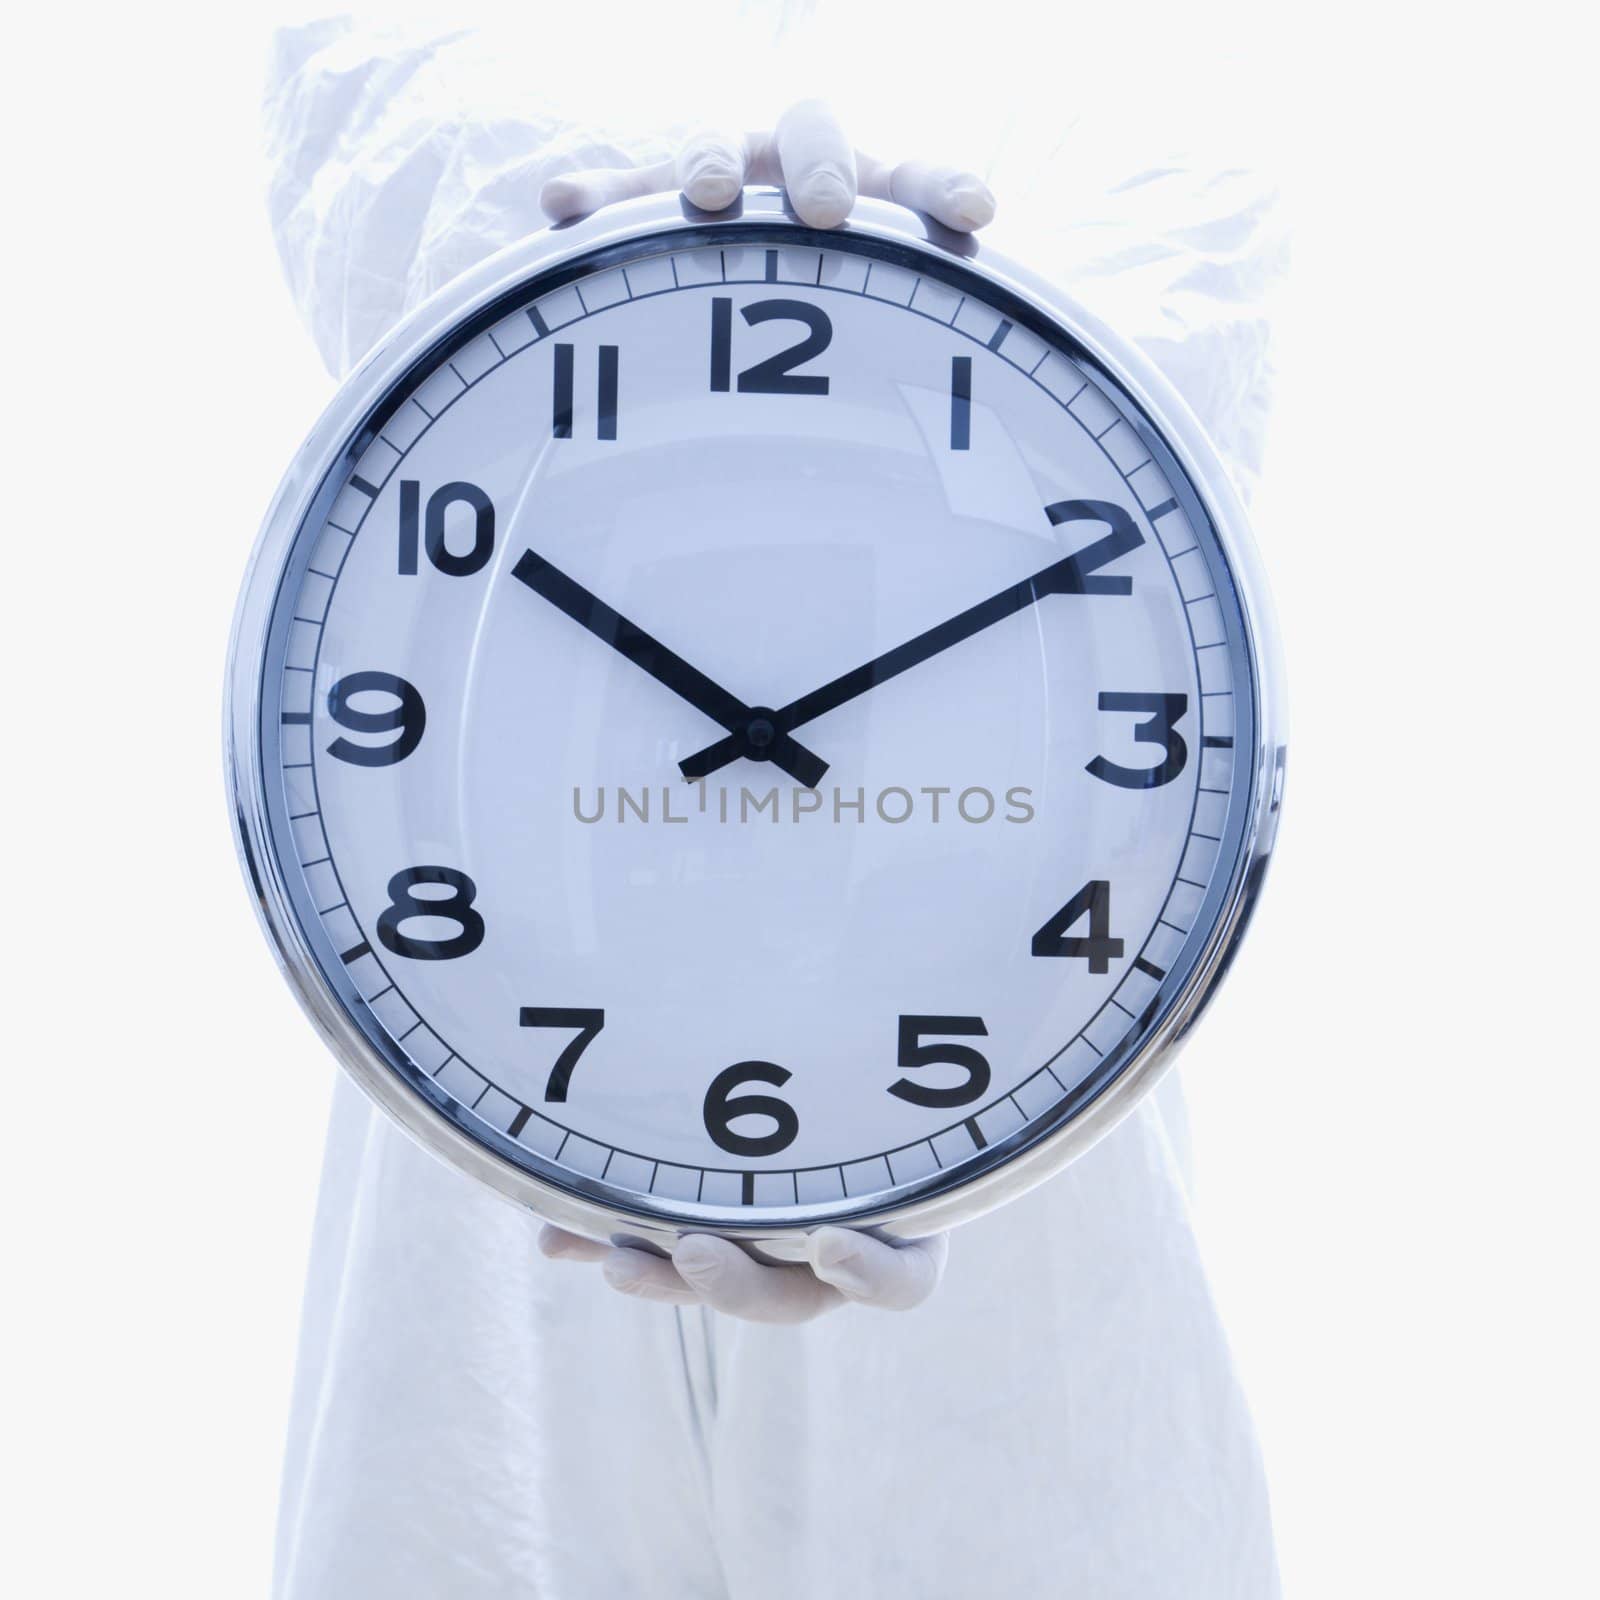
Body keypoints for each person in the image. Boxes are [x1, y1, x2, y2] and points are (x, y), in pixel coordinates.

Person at [268, 20, 1282, 1597]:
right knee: (498, 1488)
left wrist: (946, 301)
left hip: (1001, 1024)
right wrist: (602, 255)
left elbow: (1200, 262)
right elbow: (375, 110)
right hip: (524, 993)